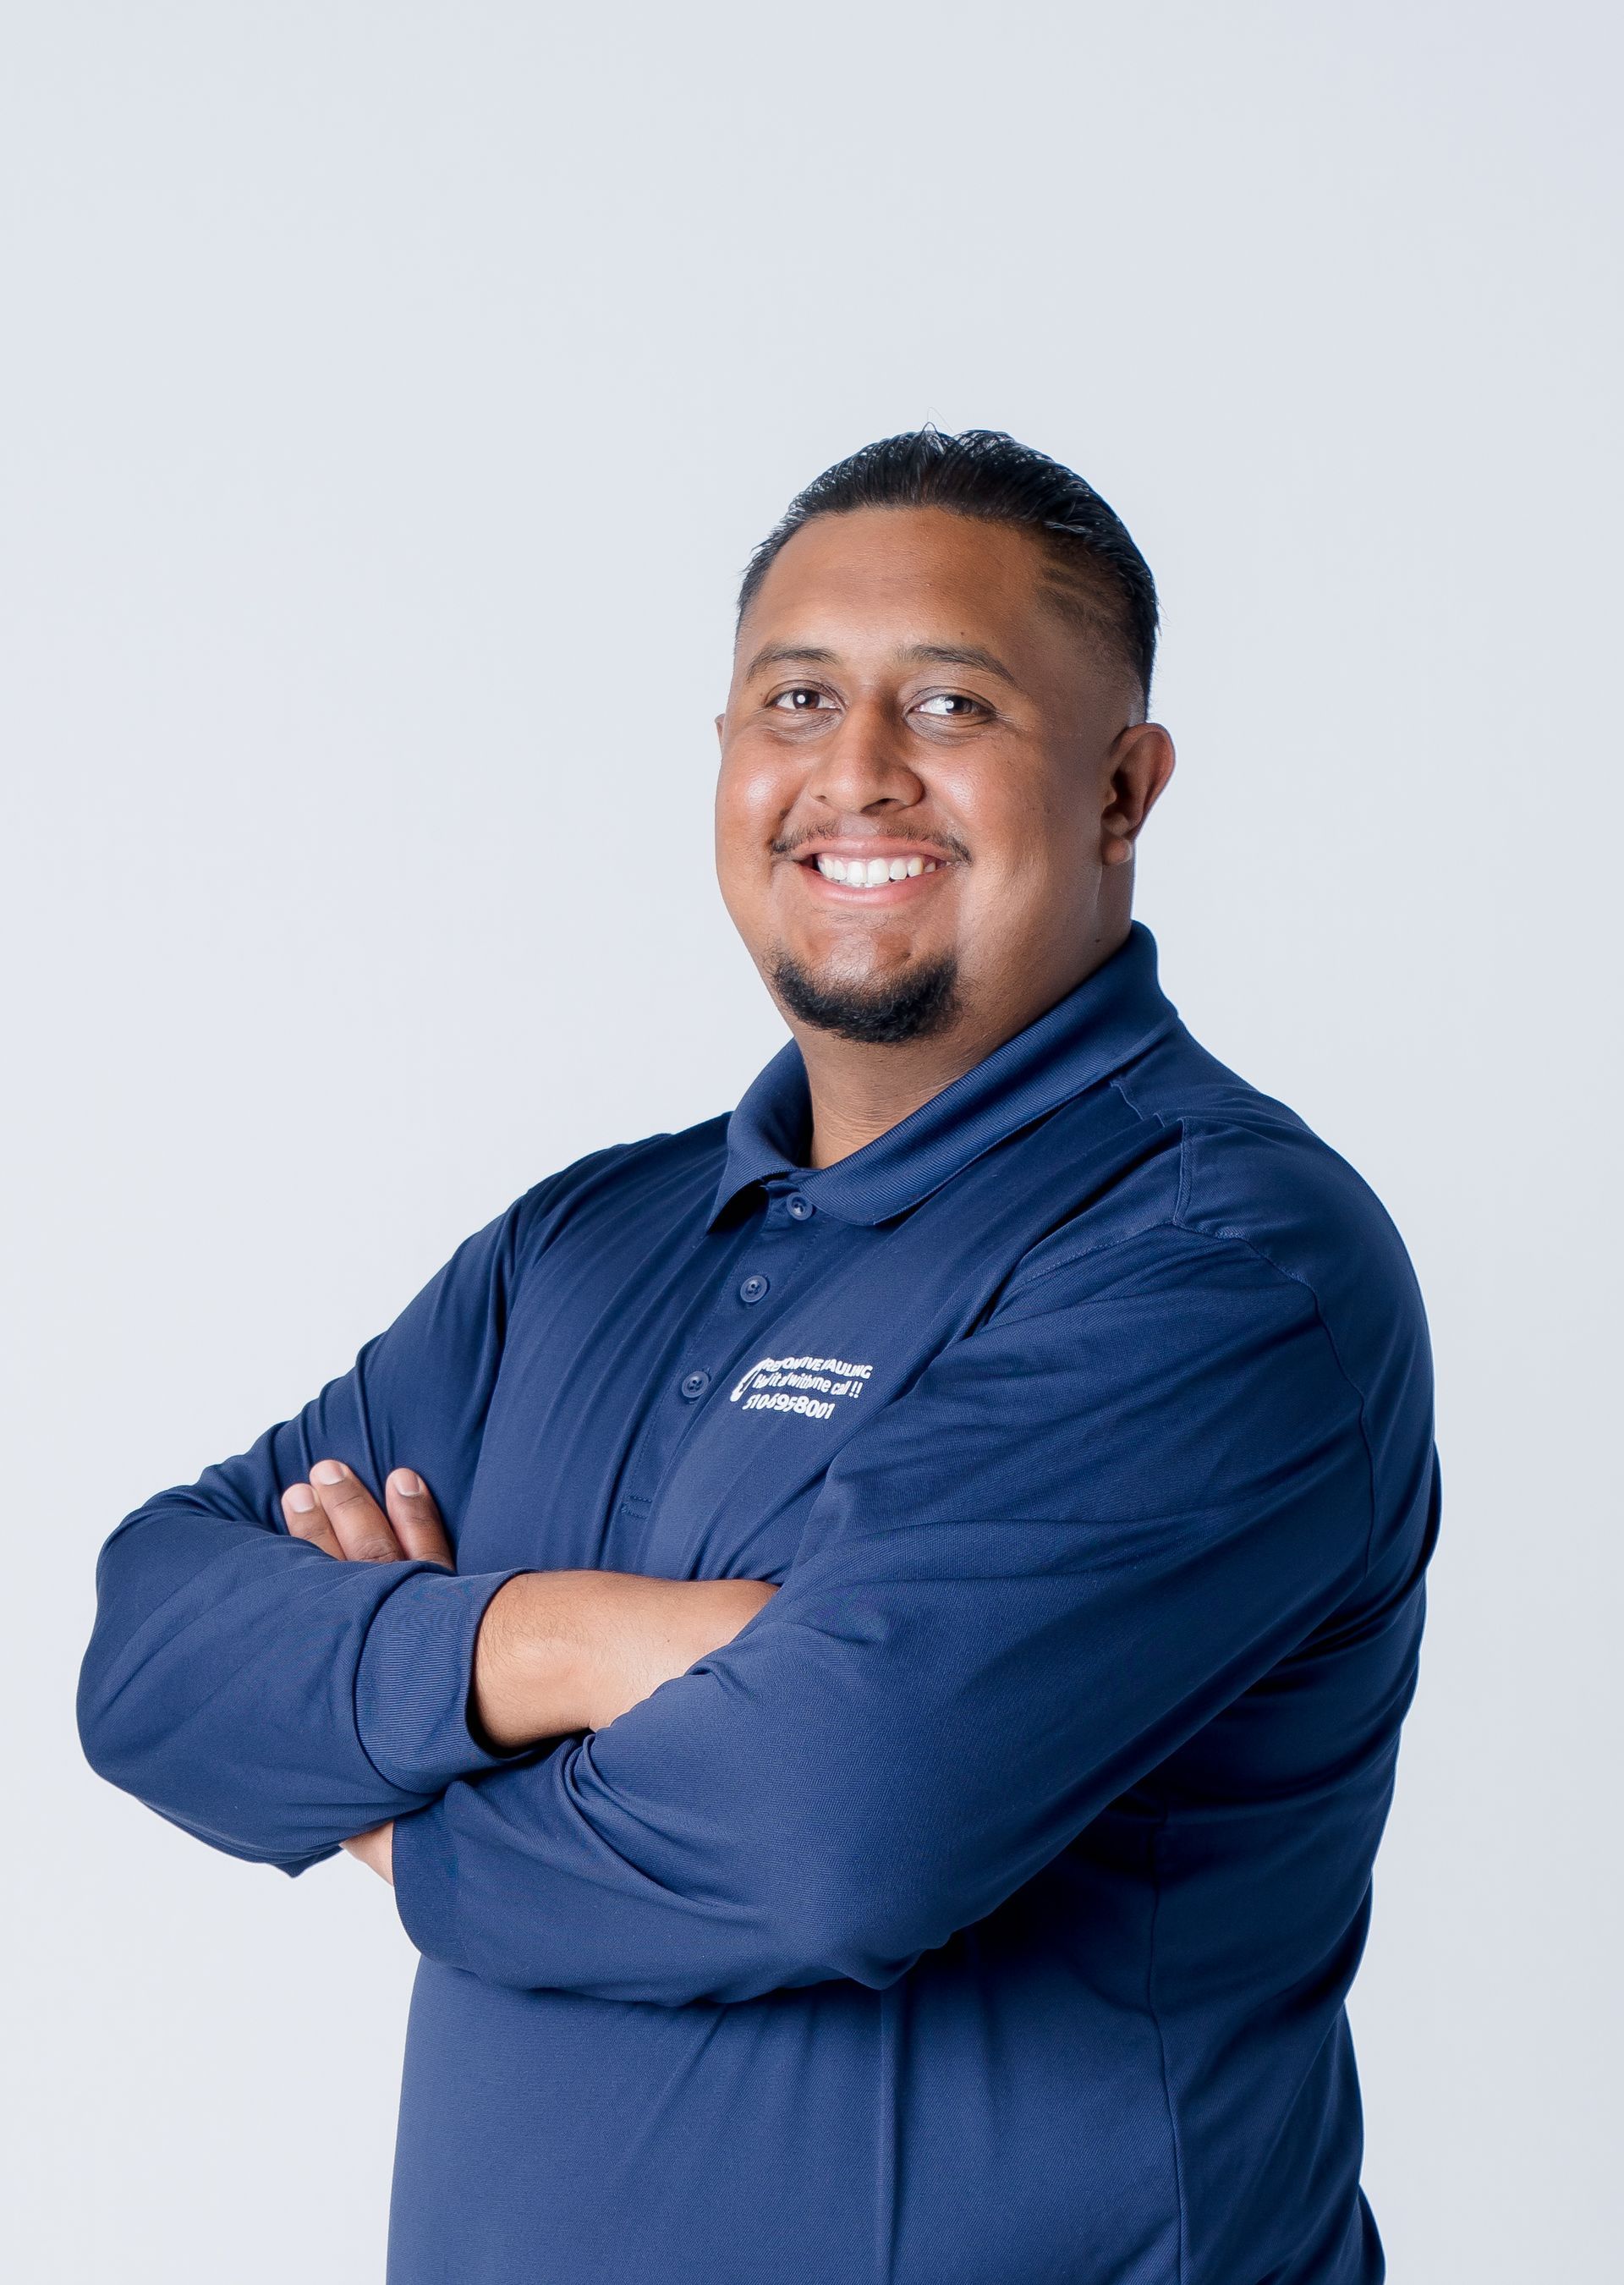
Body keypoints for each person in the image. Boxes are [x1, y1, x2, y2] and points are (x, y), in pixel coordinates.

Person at [78, 427, 1439, 2285]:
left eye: (948, 701)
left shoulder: (1225, 1264)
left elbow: (837, 1824)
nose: (854, 769)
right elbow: (150, 1655)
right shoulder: (584, 1248)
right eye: (796, 697)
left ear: (1122, 789)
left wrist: (404, 1823)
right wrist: (558, 1643)